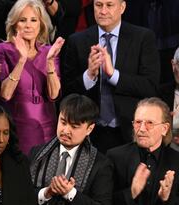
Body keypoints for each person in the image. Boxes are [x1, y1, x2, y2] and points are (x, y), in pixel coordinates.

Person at [62, 0, 160, 153]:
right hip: (90, 132)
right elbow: (68, 91)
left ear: (122, 7)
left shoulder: (142, 38)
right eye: (98, 5)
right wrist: (89, 76)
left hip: (129, 131)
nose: (103, 11)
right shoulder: (77, 41)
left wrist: (113, 75)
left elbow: (150, 86)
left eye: (109, 5)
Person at [0, 0, 65, 155]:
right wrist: (21, 60)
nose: (28, 25)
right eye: (22, 20)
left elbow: (54, 95)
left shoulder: (49, 52)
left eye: (33, 20)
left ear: (41, 24)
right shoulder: (3, 49)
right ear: (14, 24)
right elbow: (5, 94)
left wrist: (50, 63)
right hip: (17, 128)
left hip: (47, 128)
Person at [30, 94, 113, 205]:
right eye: (63, 122)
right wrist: (46, 193)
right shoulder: (38, 153)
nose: (66, 130)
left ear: (89, 129)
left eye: (74, 126)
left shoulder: (100, 164)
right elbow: (21, 195)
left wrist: (70, 193)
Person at [107, 97, 179, 205]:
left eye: (149, 123)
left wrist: (166, 199)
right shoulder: (115, 156)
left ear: (164, 128)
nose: (141, 129)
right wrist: (131, 193)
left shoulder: (176, 161)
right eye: (138, 122)